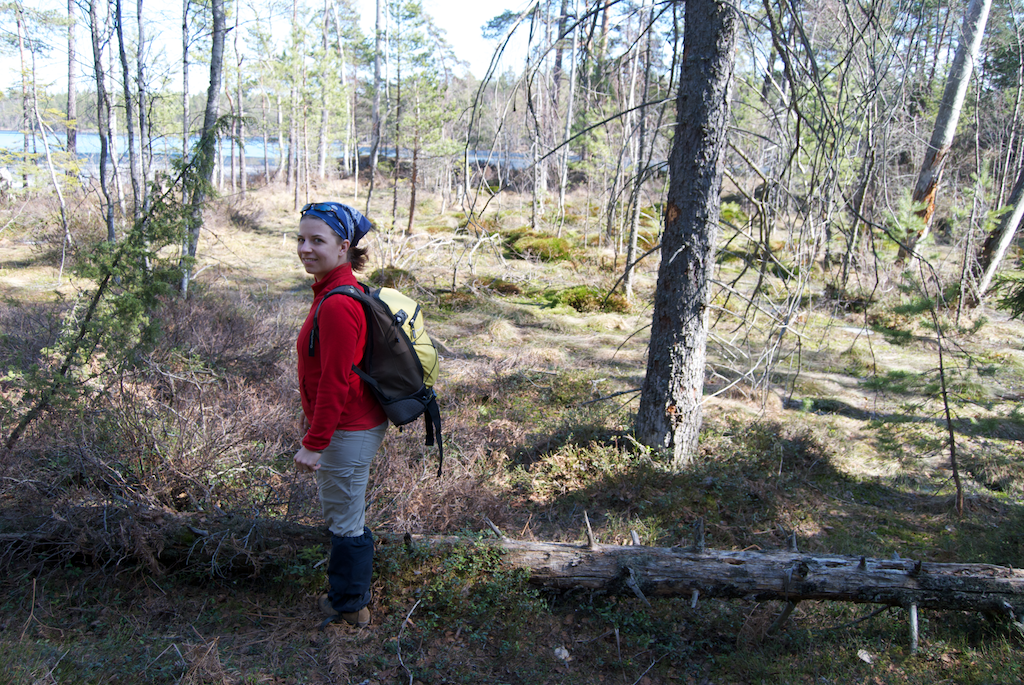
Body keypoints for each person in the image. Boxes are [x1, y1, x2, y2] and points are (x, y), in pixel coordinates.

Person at [293, 201, 388, 628]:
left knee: (346, 521)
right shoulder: (338, 290)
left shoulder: (336, 303)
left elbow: (336, 381)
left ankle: (351, 608)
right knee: (345, 512)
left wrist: (315, 444)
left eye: (317, 240)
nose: (305, 248)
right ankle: (349, 598)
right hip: (349, 423)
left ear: (343, 245)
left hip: (349, 428)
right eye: (301, 239)